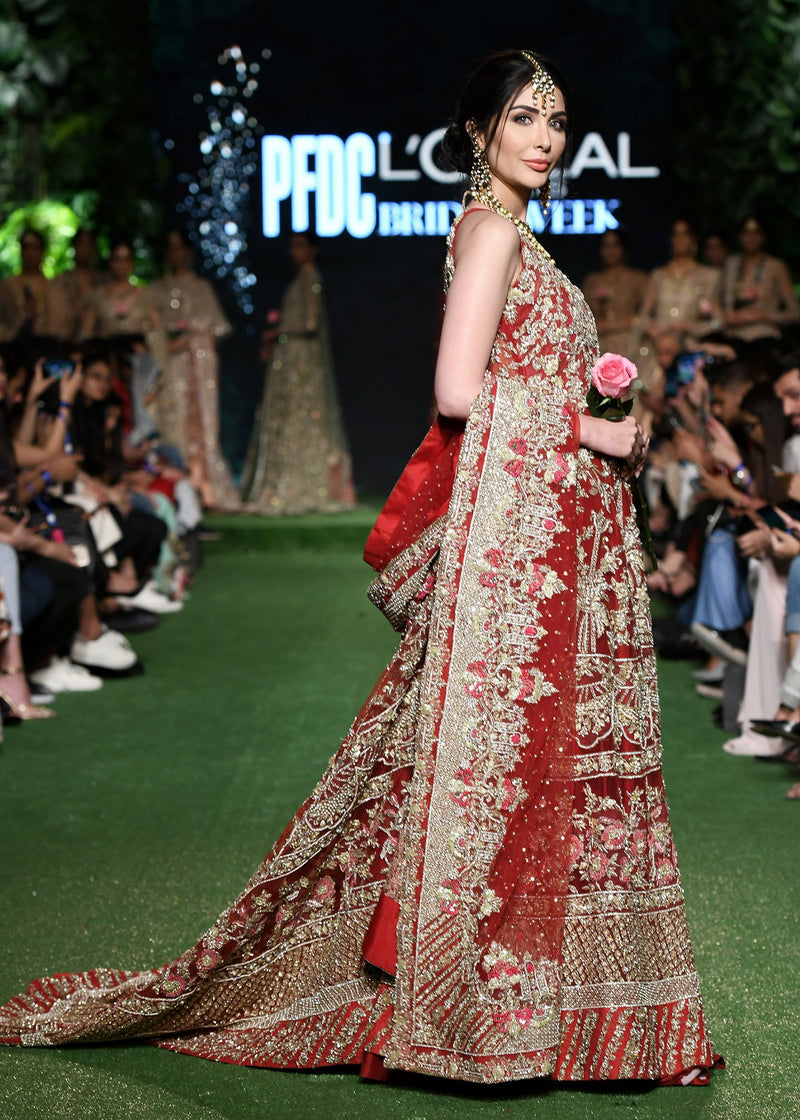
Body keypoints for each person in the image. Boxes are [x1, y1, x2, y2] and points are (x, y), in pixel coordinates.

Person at [0, 50, 721, 1086]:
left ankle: (577, 1019)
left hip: (548, 542)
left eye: (557, 119)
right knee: (505, 772)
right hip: (516, 561)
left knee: (544, 772)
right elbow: (459, 391)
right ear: (477, 132)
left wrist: (606, 424)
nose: (545, 137)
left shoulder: (516, 234)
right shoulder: (489, 232)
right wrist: (592, 426)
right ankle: (482, 1017)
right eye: (523, 117)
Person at [240, 231, 356, 514]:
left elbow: (309, 323)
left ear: (313, 250)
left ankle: (305, 484)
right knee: (293, 416)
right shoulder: (302, 279)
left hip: (301, 360)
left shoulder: (311, 279)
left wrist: (276, 333)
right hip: (292, 358)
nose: (295, 252)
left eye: (301, 246)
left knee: (302, 416)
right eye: (292, 246)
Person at [150, 230, 240, 511]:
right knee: (171, 422)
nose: (176, 254)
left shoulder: (200, 288)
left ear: (189, 253)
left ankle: (205, 488)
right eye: (171, 248)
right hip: (168, 367)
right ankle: (176, 488)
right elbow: (149, 330)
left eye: (181, 248)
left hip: (197, 367)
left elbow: (217, 328)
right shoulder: (155, 290)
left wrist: (192, 339)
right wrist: (169, 343)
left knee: (199, 426)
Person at [723, 216, 800, 342]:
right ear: (740, 236)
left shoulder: (775, 267)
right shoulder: (731, 265)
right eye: (746, 233)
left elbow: (795, 313)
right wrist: (725, 317)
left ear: (764, 236)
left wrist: (761, 316)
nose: (751, 238)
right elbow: (716, 302)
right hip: (731, 336)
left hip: (763, 336)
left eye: (756, 233)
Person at [581, 228, 646, 359]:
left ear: (624, 248)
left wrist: (622, 323)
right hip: (599, 344)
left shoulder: (637, 279)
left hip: (630, 344)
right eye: (606, 245)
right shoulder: (592, 281)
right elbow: (583, 316)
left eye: (615, 245)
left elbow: (646, 315)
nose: (610, 250)